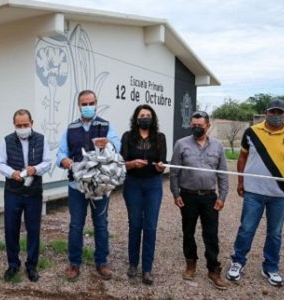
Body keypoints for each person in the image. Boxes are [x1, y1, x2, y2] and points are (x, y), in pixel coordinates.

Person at [226, 98, 284, 287]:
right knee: (246, 229)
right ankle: (238, 262)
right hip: (253, 192)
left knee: (275, 233)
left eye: (279, 113)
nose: (276, 116)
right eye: (272, 112)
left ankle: (270, 267)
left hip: (280, 194)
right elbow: (242, 157)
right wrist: (241, 181)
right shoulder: (251, 132)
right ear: (266, 112)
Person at [56, 90, 120, 281]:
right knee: (76, 225)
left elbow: (118, 148)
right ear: (79, 106)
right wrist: (65, 161)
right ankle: (74, 263)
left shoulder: (106, 126)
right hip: (77, 185)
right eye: (84, 104)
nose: (88, 107)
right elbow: (61, 153)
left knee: (101, 224)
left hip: (100, 185)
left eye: (91, 103)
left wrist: (108, 143)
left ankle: (102, 262)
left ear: (96, 103)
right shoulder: (71, 128)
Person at [170, 111, 229, 290]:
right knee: (188, 232)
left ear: (208, 126)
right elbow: (174, 172)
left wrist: (222, 197)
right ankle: (190, 263)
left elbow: (223, 174)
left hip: (210, 197)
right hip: (188, 196)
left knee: (211, 234)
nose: (196, 128)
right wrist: (176, 193)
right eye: (193, 125)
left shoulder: (218, 146)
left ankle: (213, 269)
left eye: (200, 126)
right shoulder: (181, 144)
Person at [0, 109, 51, 282]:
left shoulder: (41, 139)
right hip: (13, 191)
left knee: (33, 230)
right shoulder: (7, 140)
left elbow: (48, 162)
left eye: (25, 125)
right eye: (19, 125)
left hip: (34, 192)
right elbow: (0, 163)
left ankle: (32, 266)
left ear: (32, 123)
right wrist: (12, 173)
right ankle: (13, 264)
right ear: (14, 125)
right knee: (11, 229)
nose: (22, 128)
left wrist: (36, 169)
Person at [120, 104, 166, 285]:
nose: (145, 117)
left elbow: (162, 162)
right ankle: (133, 264)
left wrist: (160, 167)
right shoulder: (128, 136)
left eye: (148, 115)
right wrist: (131, 164)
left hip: (153, 185)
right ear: (136, 118)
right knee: (135, 224)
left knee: (150, 226)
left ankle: (147, 269)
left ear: (153, 118)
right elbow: (121, 162)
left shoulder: (160, 138)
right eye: (142, 115)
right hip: (133, 185)